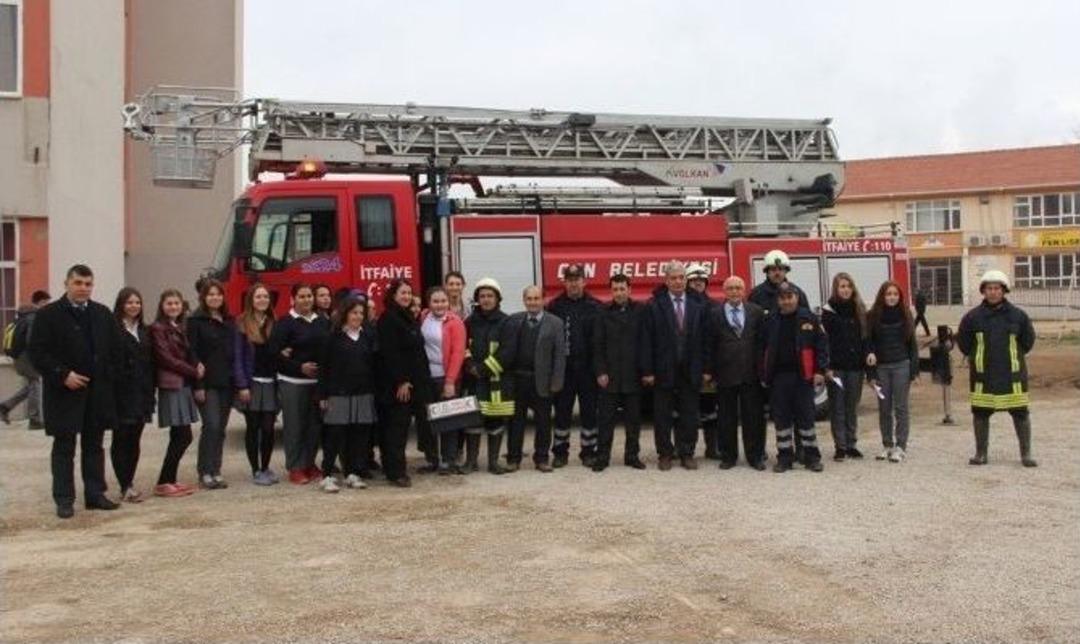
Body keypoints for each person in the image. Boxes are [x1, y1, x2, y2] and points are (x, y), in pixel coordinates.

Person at [29, 265, 124, 518]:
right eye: (78, 283)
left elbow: (116, 350)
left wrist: (109, 378)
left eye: (88, 284)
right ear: (66, 283)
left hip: (97, 393)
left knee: (94, 446)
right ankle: (64, 499)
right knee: (64, 447)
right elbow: (37, 353)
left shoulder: (102, 314)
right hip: (64, 393)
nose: (83, 288)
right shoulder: (48, 315)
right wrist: (63, 375)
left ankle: (95, 494)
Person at [957, 270, 1037, 467]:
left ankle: (1026, 454)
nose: (993, 292)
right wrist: (977, 358)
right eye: (989, 288)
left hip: (1013, 376)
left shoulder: (1018, 316)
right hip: (983, 376)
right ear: (983, 291)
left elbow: (1028, 341)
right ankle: (981, 454)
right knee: (981, 412)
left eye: (997, 288)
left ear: (1004, 290)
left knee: (1020, 412)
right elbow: (964, 343)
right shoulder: (972, 317)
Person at [640, 261, 711, 471]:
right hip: (663, 371)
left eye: (681, 277)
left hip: (691, 370)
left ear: (685, 280)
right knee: (662, 415)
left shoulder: (698, 305)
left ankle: (687, 453)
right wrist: (648, 371)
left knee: (690, 415)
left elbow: (706, 339)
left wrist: (707, 368)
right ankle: (665, 454)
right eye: (673, 278)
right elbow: (646, 340)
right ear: (666, 280)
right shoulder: (654, 305)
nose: (678, 281)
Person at [759, 283, 829, 473]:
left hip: (803, 377)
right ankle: (784, 458)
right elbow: (761, 349)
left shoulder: (809, 318)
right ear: (778, 300)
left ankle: (812, 457)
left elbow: (821, 346)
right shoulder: (770, 320)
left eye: (790, 297)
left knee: (806, 419)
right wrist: (763, 373)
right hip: (778, 378)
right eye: (783, 297)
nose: (787, 301)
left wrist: (820, 371)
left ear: (797, 298)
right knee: (781, 421)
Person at [269, 283, 331, 485]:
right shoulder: (285, 323)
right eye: (302, 296)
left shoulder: (321, 322)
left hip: (317, 383)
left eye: (309, 296)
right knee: (295, 426)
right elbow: (274, 355)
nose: (306, 300)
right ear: (293, 299)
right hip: (293, 382)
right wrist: (299, 367)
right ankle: (295, 467)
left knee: (314, 426)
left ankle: (309, 463)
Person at [318, 296, 379, 492]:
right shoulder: (332, 337)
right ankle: (326, 474)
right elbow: (324, 368)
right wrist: (323, 395)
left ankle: (352, 473)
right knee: (336, 435)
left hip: (363, 393)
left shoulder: (367, 336)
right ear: (345, 314)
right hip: (338, 394)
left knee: (359, 436)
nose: (358, 316)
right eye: (354, 313)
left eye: (361, 313)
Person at [708, 276, 767, 470]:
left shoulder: (756, 312)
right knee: (726, 418)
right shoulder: (714, 314)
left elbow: (762, 343)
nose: (734, 292)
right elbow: (709, 345)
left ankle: (755, 456)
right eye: (730, 288)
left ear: (744, 291)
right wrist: (710, 372)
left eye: (738, 288)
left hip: (751, 374)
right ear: (724, 291)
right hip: (725, 374)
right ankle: (728, 456)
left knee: (754, 418)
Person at [547, 264, 603, 468]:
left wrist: (600, 370)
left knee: (589, 412)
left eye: (577, 279)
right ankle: (560, 453)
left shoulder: (595, 306)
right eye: (569, 280)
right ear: (565, 282)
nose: (573, 283)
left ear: (584, 281)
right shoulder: (554, 306)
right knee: (562, 412)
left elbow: (599, 342)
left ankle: (588, 452)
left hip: (588, 370)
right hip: (564, 371)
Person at [377, 279, 431, 487]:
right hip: (398, 385)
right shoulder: (388, 319)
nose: (407, 296)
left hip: (414, 382)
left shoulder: (408, 317)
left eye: (409, 293)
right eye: (403, 293)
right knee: (396, 429)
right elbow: (390, 354)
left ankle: (396, 466)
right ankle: (395, 472)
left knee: (402, 428)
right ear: (393, 295)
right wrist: (402, 381)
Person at [506, 286, 566, 472]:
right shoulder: (514, 321)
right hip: (518, 380)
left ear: (543, 300)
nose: (533, 302)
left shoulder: (555, 323)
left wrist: (557, 381)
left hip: (543, 382)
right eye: (529, 298)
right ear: (524, 300)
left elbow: (559, 355)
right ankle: (513, 459)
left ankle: (541, 459)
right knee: (516, 422)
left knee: (543, 422)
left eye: (536, 298)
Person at [149, 288, 202, 498]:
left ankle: (169, 479)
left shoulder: (180, 326)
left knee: (180, 435)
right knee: (182, 435)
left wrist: (195, 366)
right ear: (162, 306)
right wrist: (193, 371)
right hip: (172, 384)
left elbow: (189, 353)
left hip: (184, 383)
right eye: (169, 303)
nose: (173, 307)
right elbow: (165, 358)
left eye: (176, 303)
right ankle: (164, 481)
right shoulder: (158, 328)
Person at [592, 274, 646, 471]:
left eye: (622, 289)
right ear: (611, 291)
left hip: (633, 376)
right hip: (610, 377)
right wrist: (600, 372)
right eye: (615, 289)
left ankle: (632, 456)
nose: (619, 293)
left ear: (629, 290)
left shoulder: (641, 310)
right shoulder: (602, 312)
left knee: (633, 422)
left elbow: (646, 342)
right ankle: (602, 457)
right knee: (605, 421)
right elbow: (597, 345)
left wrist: (645, 371)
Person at [187, 278, 237, 490]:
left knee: (222, 429)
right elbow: (191, 353)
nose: (215, 298)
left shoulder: (229, 321)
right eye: (210, 294)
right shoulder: (195, 321)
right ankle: (204, 472)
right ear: (203, 297)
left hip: (226, 381)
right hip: (206, 383)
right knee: (212, 425)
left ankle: (216, 470)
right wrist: (197, 385)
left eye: (218, 294)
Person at [462, 278, 514, 475]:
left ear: (497, 298)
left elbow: (508, 352)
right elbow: (463, 346)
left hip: (496, 381)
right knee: (472, 421)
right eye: (482, 296)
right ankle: (470, 462)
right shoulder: (469, 322)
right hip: (474, 381)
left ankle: (493, 463)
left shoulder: (506, 321)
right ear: (477, 299)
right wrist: (470, 366)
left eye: (490, 296)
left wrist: (482, 369)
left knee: (495, 420)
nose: (486, 299)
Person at [866, 281, 919, 463]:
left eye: (895, 294)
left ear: (900, 297)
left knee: (901, 408)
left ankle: (901, 446)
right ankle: (887, 445)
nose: (891, 297)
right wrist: (871, 371)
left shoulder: (906, 315)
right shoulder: (872, 316)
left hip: (901, 366)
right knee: (884, 408)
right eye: (888, 294)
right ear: (882, 296)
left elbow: (912, 345)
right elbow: (868, 342)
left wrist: (914, 370)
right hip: (881, 367)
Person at [111, 287, 155, 503]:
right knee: (121, 438)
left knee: (135, 439)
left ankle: (130, 481)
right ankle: (124, 484)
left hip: (142, 392)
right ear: (121, 304)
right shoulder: (113, 329)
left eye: (137, 302)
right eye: (129, 302)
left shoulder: (145, 330)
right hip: (121, 393)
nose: (134, 306)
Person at [233, 283, 280, 486]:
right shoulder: (241, 323)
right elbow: (237, 357)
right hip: (251, 383)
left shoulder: (274, 322)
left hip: (270, 382)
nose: (263, 300)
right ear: (251, 300)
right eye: (258, 297)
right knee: (253, 427)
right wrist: (242, 385)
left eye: (266, 297)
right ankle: (255, 470)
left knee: (268, 428)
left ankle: (265, 467)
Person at [821, 273, 869, 461]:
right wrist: (826, 367)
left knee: (851, 407)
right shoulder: (828, 311)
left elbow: (865, 338)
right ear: (836, 288)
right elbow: (824, 342)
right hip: (836, 368)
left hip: (856, 367)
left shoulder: (859, 310)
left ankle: (851, 444)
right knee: (838, 408)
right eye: (842, 286)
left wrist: (867, 359)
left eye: (849, 286)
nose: (846, 289)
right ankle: (840, 446)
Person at [420, 286, 467, 475]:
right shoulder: (423, 317)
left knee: (448, 421)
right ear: (429, 303)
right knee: (428, 421)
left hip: (446, 378)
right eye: (435, 301)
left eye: (443, 301)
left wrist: (450, 381)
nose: (439, 305)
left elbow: (458, 354)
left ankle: (448, 460)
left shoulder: (455, 322)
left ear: (448, 303)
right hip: (426, 377)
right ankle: (432, 459)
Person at [0, 289, 51, 428]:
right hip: (27, 357)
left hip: (19, 357)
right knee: (37, 383)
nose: (48, 306)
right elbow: (31, 340)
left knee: (33, 386)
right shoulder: (34, 317)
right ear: (40, 303)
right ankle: (35, 420)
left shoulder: (23, 316)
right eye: (46, 303)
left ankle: (5, 407)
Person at [686, 263, 721, 460]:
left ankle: (712, 447)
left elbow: (715, 341)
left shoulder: (715, 307)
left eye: (701, 280)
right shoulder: (682, 305)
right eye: (694, 281)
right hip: (685, 368)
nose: (698, 284)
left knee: (710, 410)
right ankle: (684, 448)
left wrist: (709, 368)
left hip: (707, 368)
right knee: (682, 411)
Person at [749, 249, 809, 316]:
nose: (777, 273)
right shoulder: (756, 294)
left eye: (780, 269)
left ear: (786, 271)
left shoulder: (797, 292)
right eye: (773, 269)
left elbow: (806, 317)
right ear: (767, 272)